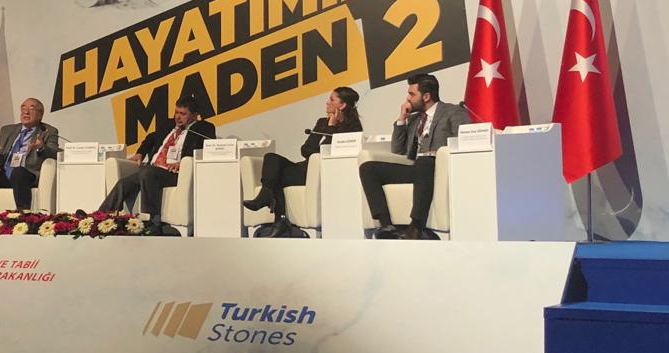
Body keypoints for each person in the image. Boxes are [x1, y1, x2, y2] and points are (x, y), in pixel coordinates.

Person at [359, 73, 470, 239]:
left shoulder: (453, 112)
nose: (408, 98)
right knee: (368, 168)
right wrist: (402, 119)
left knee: (424, 161)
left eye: (412, 94)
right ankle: (387, 226)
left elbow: (464, 139)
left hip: (438, 169)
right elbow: (397, 150)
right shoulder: (414, 119)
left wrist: (438, 153)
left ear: (426, 96)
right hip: (417, 168)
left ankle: (416, 226)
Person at [244, 87, 362, 237]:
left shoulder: (353, 127)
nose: (327, 102)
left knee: (275, 177)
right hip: (305, 169)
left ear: (342, 105)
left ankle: (277, 216)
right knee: (271, 158)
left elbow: (329, 151)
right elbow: (305, 150)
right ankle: (268, 198)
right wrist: (325, 131)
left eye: (332, 99)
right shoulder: (321, 122)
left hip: (319, 175)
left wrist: (331, 127)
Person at [98, 96, 215, 232]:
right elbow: (151, 138)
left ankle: (151, 222)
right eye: (176, 112)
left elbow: (207, 150)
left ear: (194, 115)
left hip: (174, 173)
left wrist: (184, 161)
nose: (177, 117)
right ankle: (101, 217)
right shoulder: (168, 125)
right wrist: (140, 153)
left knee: (148, 172)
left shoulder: (203, 128)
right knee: (124, 183)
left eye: (183, 114)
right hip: (152, 170)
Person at [0, 98, 59, 214]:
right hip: (5, 174)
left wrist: (41, 147)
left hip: (28, 175)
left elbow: (54, 153)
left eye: (31, 109)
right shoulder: (8, 130)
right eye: (23, 108)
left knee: (18, 172)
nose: (26, 112)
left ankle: (23, 213)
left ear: (40, 114)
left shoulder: (48, 131)